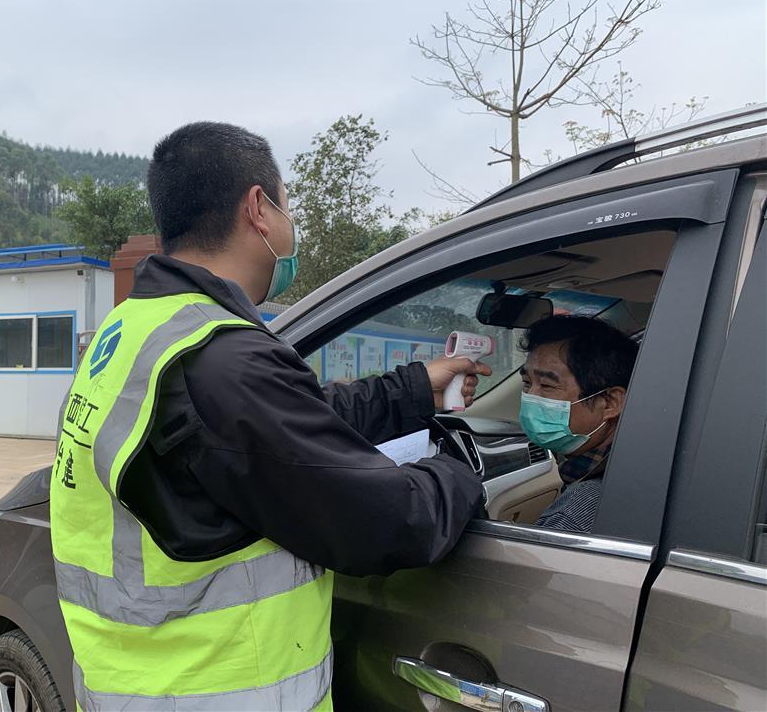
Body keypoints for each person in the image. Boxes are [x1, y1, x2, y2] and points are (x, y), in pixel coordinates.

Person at [49, 121, 490, 711]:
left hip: (138, 685)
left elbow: (282, 427)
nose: (290, 225)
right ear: (258, 209)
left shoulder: (137, 329)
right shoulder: (221, 360)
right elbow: (386, 521)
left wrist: (413, 390)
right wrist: (463, 471)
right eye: (288, 206)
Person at [517, 315, 639, 533]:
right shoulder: (643, 463)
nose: (530, 397)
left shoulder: (576, 514)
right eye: (527, 383)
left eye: (547, 385)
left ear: (610, 402)